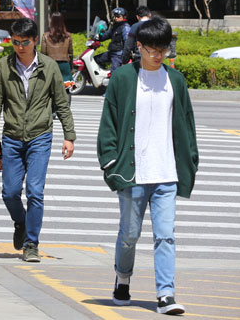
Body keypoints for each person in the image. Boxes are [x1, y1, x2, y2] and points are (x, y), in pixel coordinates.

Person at [97, 16, 197, 316]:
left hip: (166, 172)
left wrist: (189, 162)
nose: (157, 54)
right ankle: (123, 278)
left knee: (165, 235)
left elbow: (186, 126)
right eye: (151, 48)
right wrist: (110, 161)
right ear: (139, 46)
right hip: (133, 172)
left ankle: (166, 294)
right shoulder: (124, 78)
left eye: (163, 48)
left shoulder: (175, 81)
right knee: (129, 234)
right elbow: (109, 124)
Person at [0, 18, 76, 263]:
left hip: (40, 137)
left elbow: (61, 103)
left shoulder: (49, 67)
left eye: (24, 42)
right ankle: (21, 222)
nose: (19, 47)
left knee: (35, 192)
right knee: (10, 192)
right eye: (15, 42)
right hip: (13, 138)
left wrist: (69, 136)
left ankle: (31, 244)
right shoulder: (5, 66)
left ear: (35, 40)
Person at [40, 12, 74, 86]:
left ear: (51, 22)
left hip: (50, 64)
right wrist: (71, 66)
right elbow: (70, 53)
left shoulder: (45, 36)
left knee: (50, 87)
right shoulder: (68, 36)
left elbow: (43, 53)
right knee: (67, 88)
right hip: (64, 64)